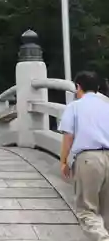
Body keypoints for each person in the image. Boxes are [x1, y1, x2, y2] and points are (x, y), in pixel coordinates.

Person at [59, 71, 109, 241]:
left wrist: (64, 161)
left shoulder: (75, 106)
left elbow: (68, 137)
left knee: (87, 210)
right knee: (107, 213)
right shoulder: (107, 105)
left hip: (88, 159)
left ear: (78, 87)